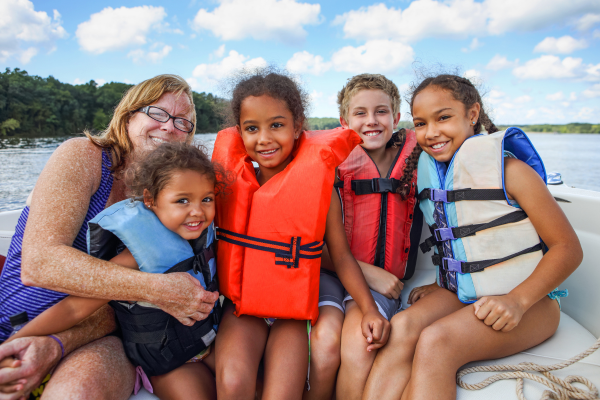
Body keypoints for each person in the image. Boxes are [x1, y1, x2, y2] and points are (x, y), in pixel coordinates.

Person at [362, 74, 582, 400]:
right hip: (464, 292)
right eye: (420, 123)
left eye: (444, 117)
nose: (431, 132)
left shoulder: (511, 171)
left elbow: (568, 249)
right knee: (404, 326)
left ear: (473, 114)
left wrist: (517, 300)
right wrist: (441, 283)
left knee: (436, 342)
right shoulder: (435, 178)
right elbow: (461, 243)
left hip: (531, 305)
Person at [0, 74, 218, 400]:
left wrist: (57, 343)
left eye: (183, 122)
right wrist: (158, 290)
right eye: (156, 113)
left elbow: (115, 312)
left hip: (95, 337)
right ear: (129, 115)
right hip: (17, 323)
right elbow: (40, 264)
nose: (170, 127)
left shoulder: (170, 204)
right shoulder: (85, 157)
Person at [211, 69, 390, 400]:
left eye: (276, 125)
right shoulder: (225, 185)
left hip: (290, 315)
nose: (264, 138)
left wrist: (368, 309)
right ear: (239, 133)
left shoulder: (320, 190)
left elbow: (341, 256)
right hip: (241, 309)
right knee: (234, 385)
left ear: (297, 126)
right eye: (252, 128)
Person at [306, 74, 423, 400]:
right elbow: (312, 244)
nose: (371, 121)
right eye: (360, 113)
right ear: (345, 121)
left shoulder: (416, 161)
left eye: (381, 112)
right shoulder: (330, 165)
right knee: (326, 342)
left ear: (396, 118)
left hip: (382, 285)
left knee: (359, 345)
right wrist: (368, 272)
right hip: (331, 274)